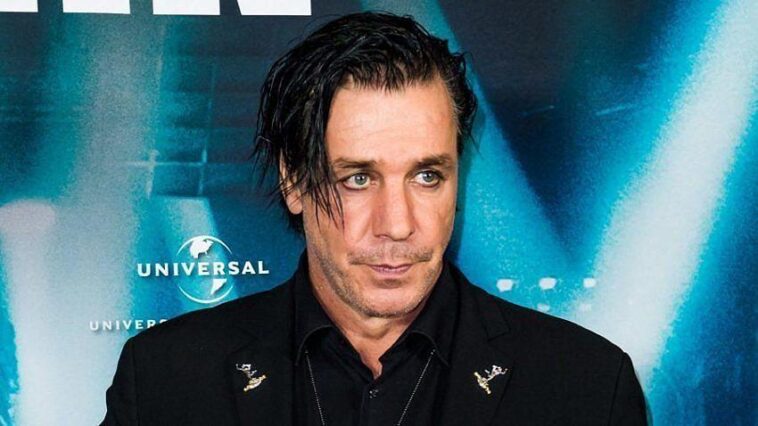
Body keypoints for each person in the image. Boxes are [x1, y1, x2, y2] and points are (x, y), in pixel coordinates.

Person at [102, 12, 647, 425]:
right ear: (294, 180)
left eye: (427, 176)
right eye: (358, 178)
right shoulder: (165, 379)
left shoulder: (586, 386)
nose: (398, 224)